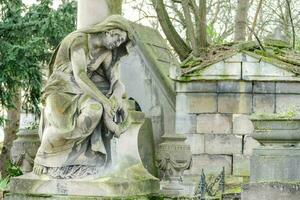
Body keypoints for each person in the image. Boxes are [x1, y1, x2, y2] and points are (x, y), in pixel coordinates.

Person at [33, 15, 132, 179]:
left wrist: (116, 96)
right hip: (61, 88)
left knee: (94, 111)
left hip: (83, 91)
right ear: (107, 30)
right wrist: (105, 101)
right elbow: (80, 75)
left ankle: (76, 159)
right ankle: (44, 156)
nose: (118, 43)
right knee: (63, 124)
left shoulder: (107, 53)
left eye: (121, 41)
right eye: (117, 37)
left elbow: (116, 81)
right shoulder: (79, 40)